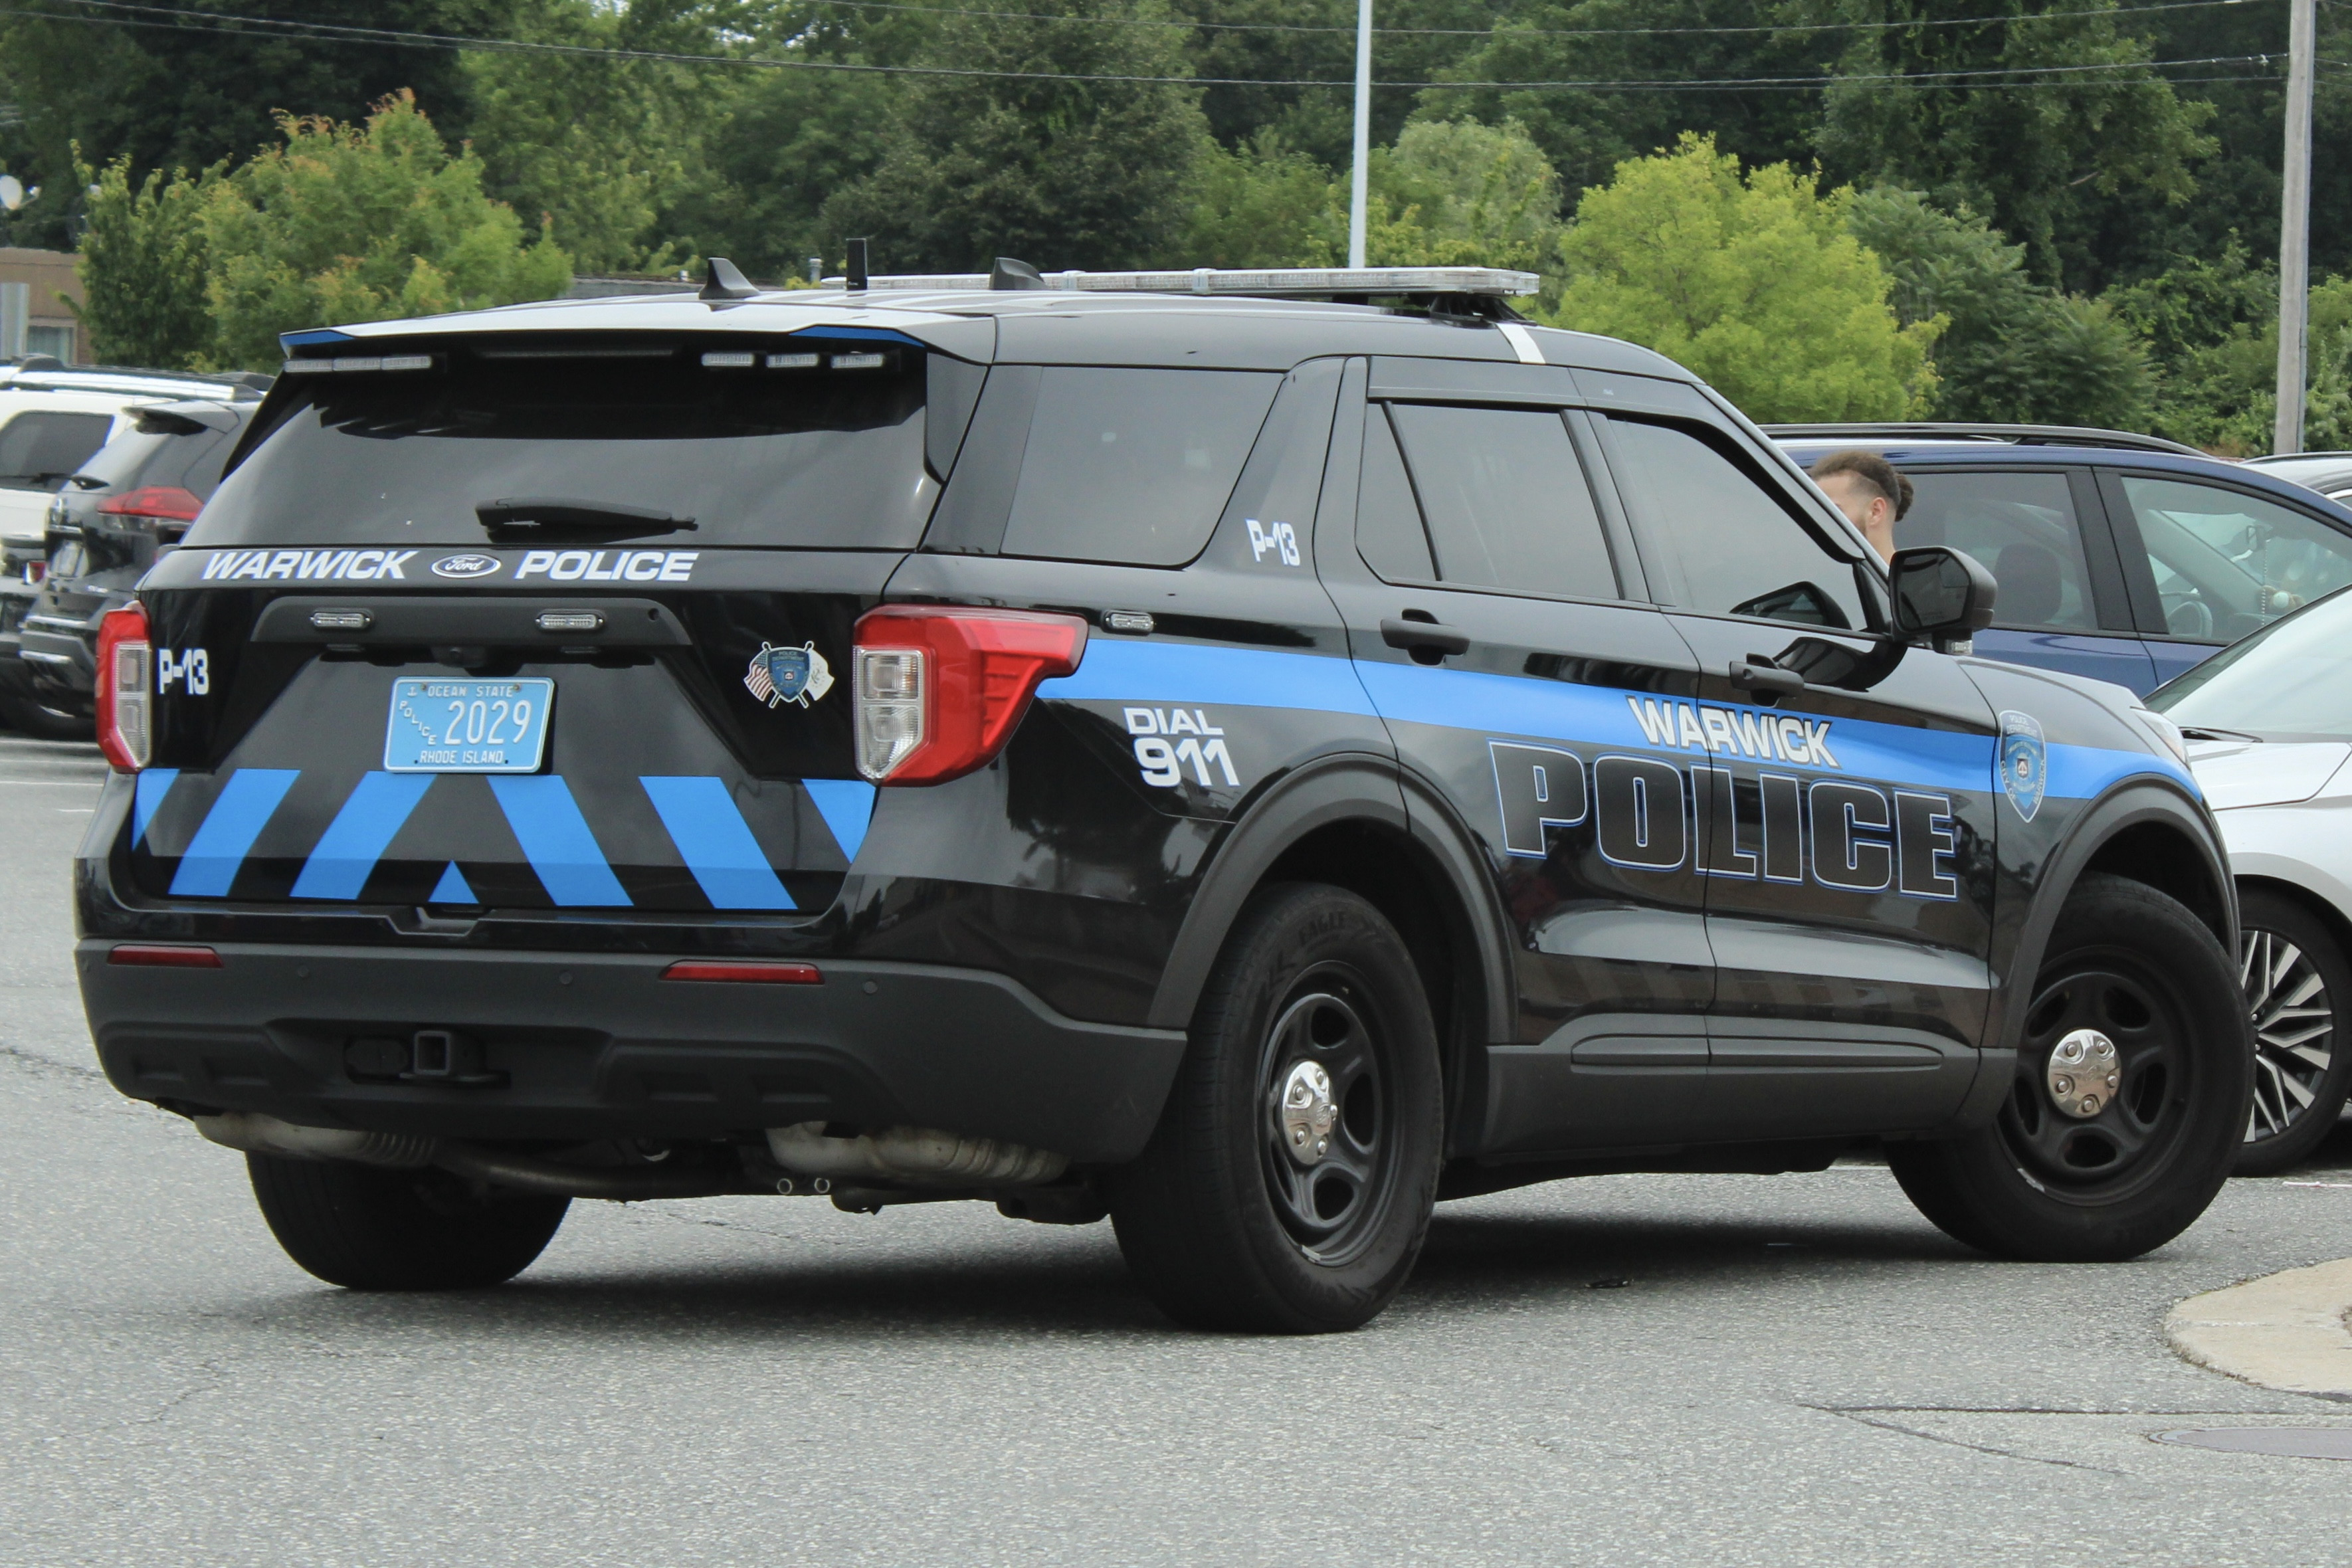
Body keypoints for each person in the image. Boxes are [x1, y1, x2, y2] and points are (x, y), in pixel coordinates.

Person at [1809, 449, 1913, 564]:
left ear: (1875, 511)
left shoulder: (1920, 580)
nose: (1821, 522)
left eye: (1834, 512)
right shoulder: (1819, 576)